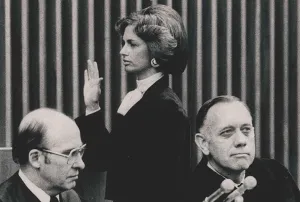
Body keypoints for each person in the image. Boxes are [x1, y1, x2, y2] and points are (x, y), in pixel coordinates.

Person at [75, 4, 190, 202]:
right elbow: (105, 158)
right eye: (123, 43)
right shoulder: (141, 98)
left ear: (156, 52)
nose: (122, 51)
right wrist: (92, 106)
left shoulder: (164, 107)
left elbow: (159, 186)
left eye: (132, 44)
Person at [189, 95, 300, 202]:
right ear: (203, 143)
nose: (241, 141)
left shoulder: (276, 173)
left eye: (246, 130)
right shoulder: (187, 192)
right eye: (227, 132)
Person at [0, 108, 86, 202]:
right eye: (70, 153)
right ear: (35, 158)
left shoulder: (71, 197)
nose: (81, 164)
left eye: (80, 151)